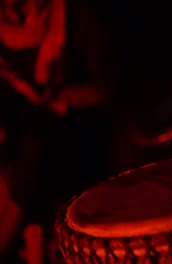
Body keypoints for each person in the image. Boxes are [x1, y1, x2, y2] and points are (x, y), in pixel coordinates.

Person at [0, 0, 121, 259]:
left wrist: (53, 95)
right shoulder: (6, 27)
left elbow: (109, 93)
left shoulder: (77, 17)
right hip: (21, 124)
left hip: (75, 126)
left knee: (38, 137)